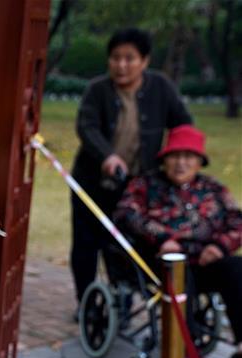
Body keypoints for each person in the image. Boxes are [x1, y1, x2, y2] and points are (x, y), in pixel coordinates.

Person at [70, 28, 192, 318]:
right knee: (87, 245)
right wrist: (107, 157)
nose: (121, 65)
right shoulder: (97, 90)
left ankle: (120, 296)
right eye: (115, 58)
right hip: (93, 183)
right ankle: (86, 303)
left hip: (137, 187)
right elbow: (86, 127)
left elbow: (183, 125)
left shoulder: (161, 88)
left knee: (124, 243)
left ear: (144, 61)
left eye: (129, 58)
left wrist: (181, 160)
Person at [115, 125, 242, 358]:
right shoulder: (145, 185)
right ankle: (185, 349)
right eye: (175, 156)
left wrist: (219, 246)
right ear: (165, 159)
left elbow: (237, 221)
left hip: (205, 260)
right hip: (162, 262)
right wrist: (161, 238)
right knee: (179, 270)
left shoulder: (213, 189)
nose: (181, 163)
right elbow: (125, 214)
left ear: (199, 162)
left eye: (189, 157)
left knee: (238, 269)